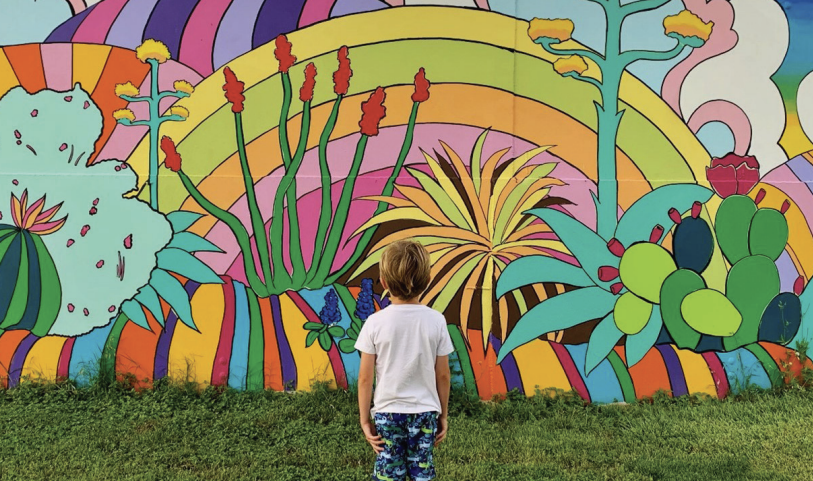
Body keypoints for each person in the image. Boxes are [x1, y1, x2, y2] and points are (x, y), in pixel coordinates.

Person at [355, 239, 454, 481]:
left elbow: (365, 378)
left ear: (385, 283)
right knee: (422, 471)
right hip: (425, 412)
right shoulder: (436, 321)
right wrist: (443, 415)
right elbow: (443, 375)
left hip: (387, 413)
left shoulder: (375, 322)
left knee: (389, 472)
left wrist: (364, 419)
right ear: (427, 281)